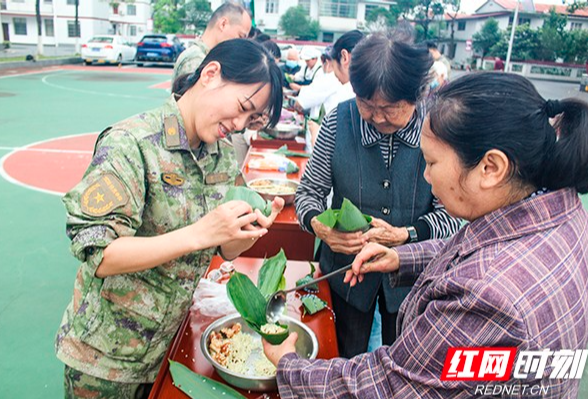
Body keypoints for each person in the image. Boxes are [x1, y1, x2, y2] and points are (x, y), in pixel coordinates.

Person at [264, 72, 588, 398]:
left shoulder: (487, 298)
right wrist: (401, 257)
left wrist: (289, 365)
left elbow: (390, 388)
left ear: (491, 168)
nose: (425, 174)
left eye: (432, 162)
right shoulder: (564, 214)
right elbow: (481, 249)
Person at [55, 39, 285, 399]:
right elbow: (100, 254)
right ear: (210, 74)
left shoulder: (221, 155)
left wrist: (246, 230)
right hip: (107, 361)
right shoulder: (132, 143)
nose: (240, 124)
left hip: (169, 344)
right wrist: (200, 233)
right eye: (243, 107)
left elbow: (223, 249)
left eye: (251, 119)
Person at [294, 30, 461, 359]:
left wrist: (407, 234)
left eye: (390, 108)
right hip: (344, 276)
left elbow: (453, 215)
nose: (376, 117)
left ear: (418, 95)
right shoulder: (339, 122)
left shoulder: (440, 128)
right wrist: (318, 226)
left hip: (414, 282)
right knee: (343, 354)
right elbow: (308, 193)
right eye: (366, 105)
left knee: (405, 362)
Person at [171, 2, 252, 84]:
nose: (240, 43)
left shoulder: (208, 58)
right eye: (241, 36)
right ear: (223, 24)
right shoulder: (196, 60)